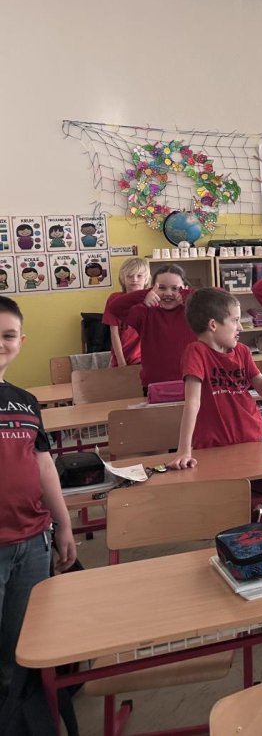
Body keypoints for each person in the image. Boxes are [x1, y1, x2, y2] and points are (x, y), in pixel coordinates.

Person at [0, 296, 77, 707]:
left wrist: (64, 525)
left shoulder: (25, 401)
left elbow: (44, 464)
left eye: (8, 335)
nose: (1, 343)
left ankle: (20, 716)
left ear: (21, 341)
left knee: (22, 644)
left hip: (32, 541)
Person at [167, 288, 262, 470]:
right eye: (235, 320)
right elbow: (192, 402)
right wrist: (184, 450)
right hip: (213, 445)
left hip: (250, 437)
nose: (240, 327)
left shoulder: (242, 351)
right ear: (213, 325)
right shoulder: (196, 352)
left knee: (261, 484)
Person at [106, 264, 196, 389]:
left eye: (175, 288)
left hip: (192, 383)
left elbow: (221, 296)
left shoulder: (195, 313)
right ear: (152, 288)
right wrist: (145, 294)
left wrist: (190, 296)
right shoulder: (145, 313)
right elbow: (115, 307)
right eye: (162, 288)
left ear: (185, 288)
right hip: (154, 385)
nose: (168, 293)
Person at [103, 257, 150, 367]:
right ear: (123, 278)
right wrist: (121, 362)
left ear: (146, 279)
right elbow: (114, 333)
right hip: (120, 359)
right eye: (130, 276)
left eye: (139, 276)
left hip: (145, 360)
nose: (134, 279)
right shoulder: (114, 299)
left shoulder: (151, 300)